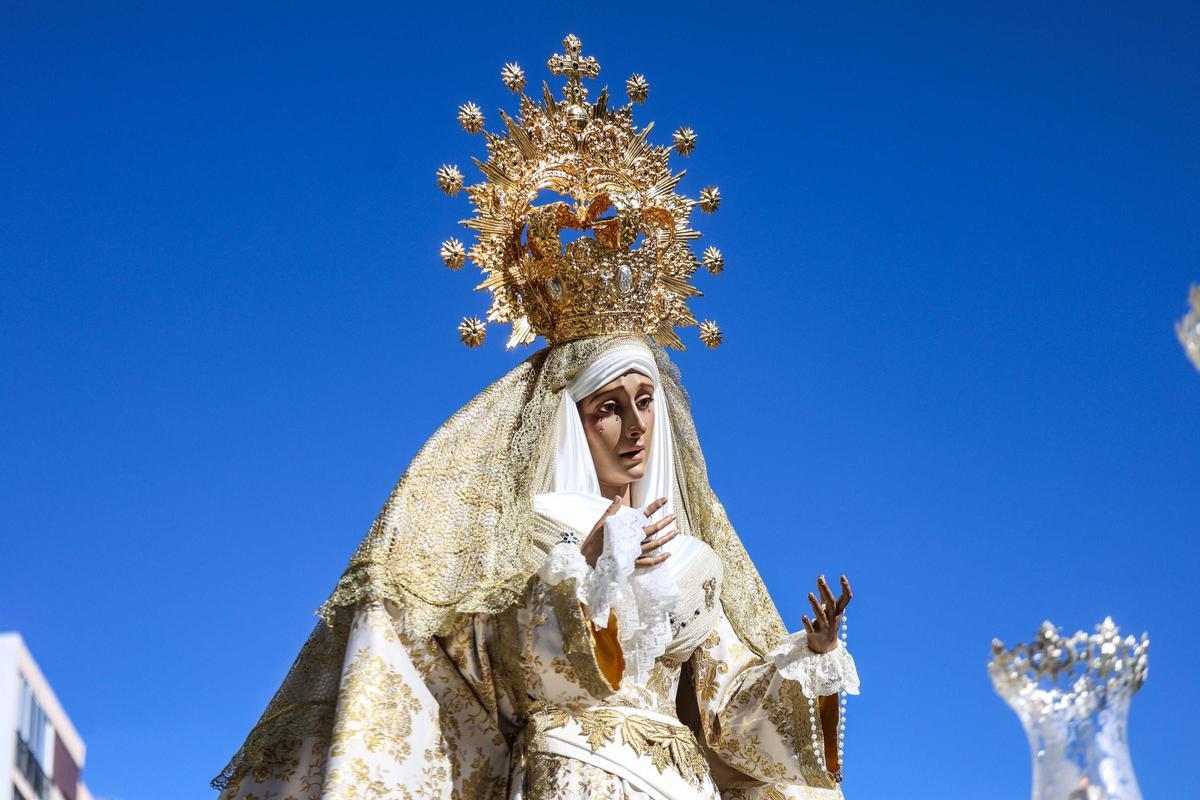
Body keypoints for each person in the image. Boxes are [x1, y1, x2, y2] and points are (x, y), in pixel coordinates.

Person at [213, 35, 859, 800]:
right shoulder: (522, 529)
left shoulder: (688, 550)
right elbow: (500, 673)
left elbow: (730, 718)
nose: (635, 427)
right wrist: (581, 568)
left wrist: (809, 658)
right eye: (608, 409)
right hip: (570, 773)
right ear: (569, 422)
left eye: (645, 402)